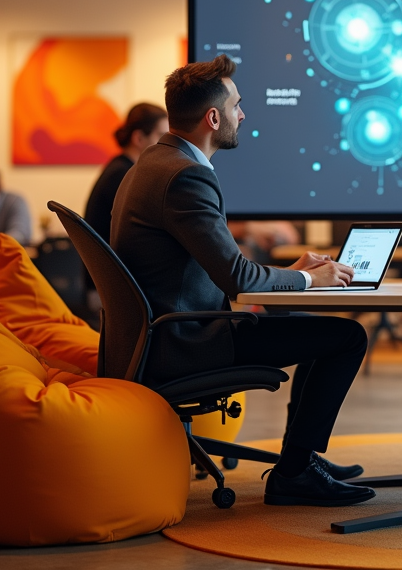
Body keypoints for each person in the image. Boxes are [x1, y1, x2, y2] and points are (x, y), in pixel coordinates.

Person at [111, 55, 374, 508]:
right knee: (346, 336)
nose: (243, 114)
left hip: (161, 333)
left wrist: (295, 272)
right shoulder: (185, 176)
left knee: (319, 332)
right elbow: (236, 278)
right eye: (237, 105)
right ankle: (294, 472)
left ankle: (300, 459)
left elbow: (222, 265)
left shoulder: (154, 164)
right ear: (213, 118)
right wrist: (309, 280)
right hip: (185, 340)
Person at [84, 102, 169, 245]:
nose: (166, 144)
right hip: (112, 266)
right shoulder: (122, 175)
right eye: (161, 136)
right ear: (138, 138)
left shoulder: (119, 167)